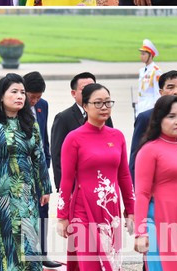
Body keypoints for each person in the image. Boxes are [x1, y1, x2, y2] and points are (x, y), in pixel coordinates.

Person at [0, 74, 51, 271]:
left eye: (22, 93)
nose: (20, 96)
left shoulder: (29, 123)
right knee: (3, 244)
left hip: (26, 194)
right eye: (14, 92)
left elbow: (39, 156)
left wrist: (45, 187)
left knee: (28, 242)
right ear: (1, 96)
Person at [56, 83, 135, 269]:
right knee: (89, 263)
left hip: (110, 211)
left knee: (110, 263)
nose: (104, 107)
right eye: (98, 103)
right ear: (85, 106)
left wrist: (131, 210)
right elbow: (66, 179)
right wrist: (62, 216)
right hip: (83, 209)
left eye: (108, 102)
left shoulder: (117, 136)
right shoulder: (74, 138)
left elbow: (124, 175)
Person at [133, 95, 177, 271]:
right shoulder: (149, 150)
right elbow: (142, 194)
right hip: (163, 224)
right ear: (159, 119)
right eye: (171, 116)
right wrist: (140, 232)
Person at [23, 72, 61, 268]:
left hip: (40, 169)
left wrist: (46, 163)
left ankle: (43, 253)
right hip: (21, 171)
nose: (34, 101)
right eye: (32, 97)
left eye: (38, 97)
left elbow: (44, 137)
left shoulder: (42, 105)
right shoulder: (15, 105)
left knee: (42, 210)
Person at [50, 72, 114, 188]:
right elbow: (57, 155)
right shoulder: (63, 118)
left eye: (93, 88)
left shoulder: (104, 115)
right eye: (85, 89)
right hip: (76, 185)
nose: (90, 92)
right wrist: (63, 187)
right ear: (73, 93)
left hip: (103, 183)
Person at [129, 70, 177, 175]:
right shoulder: (145, 118)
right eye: (170, 87)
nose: (176, 92)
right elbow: (135, 158)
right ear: (161, 92)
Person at [136, 39, 162, 116]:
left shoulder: (156, 71)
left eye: (144, 54)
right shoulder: (142, 70)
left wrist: (156, 108)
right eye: (141, 54)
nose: (141, 56)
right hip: (141, 105)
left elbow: (158, 92)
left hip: (150, 105)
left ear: (150, 55)